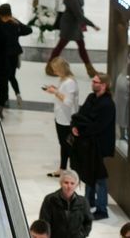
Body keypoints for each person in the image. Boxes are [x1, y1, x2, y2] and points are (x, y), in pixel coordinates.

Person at [71, 73, 116, 220]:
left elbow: (98, 126)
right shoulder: (91, 98)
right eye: (93, 81)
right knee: (88, 172)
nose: (93, 83)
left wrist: (82, 129)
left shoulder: (108, 104)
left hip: (99, 145)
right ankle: (88, 202)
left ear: (104, 85)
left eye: (96, 82)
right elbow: (81, 115)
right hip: (88, 143)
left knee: (99, 177)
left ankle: (102, 209)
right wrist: (75, 126)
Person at [50, 0, 100, 77]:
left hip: (71, 24)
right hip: (71, 26)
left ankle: (90, 70)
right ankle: (50, 68)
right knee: (62, 46)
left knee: (77, 46)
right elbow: (80, 16)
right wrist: (93, 25)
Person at [44, 57, 79, 177]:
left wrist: (55, 92)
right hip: (61, 117)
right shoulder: (64, 80)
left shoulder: (70, 83)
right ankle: (62, 169)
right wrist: (55, 90)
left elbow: (68, 102)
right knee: (64, 145)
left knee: (67, 145)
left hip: (67, 119)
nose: (54, 72)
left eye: (56, 70)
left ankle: (71, 170)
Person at [0, 3, 33, 107]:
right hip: (14, 54)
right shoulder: (14, 24)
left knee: (3, 76)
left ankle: (4, 99)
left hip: (3, 55)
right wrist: (18, 25)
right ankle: (18, 94)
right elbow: (29, 30)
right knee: (12, 76)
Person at [38, 170, 93, 238]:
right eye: (66, 182)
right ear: (61, 183)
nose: (69, 186)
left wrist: (82, 235)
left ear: (76, 185)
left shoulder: (83, 202)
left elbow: (88, 222)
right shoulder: (50, 200)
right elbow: (44, 223)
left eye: (72, 183)